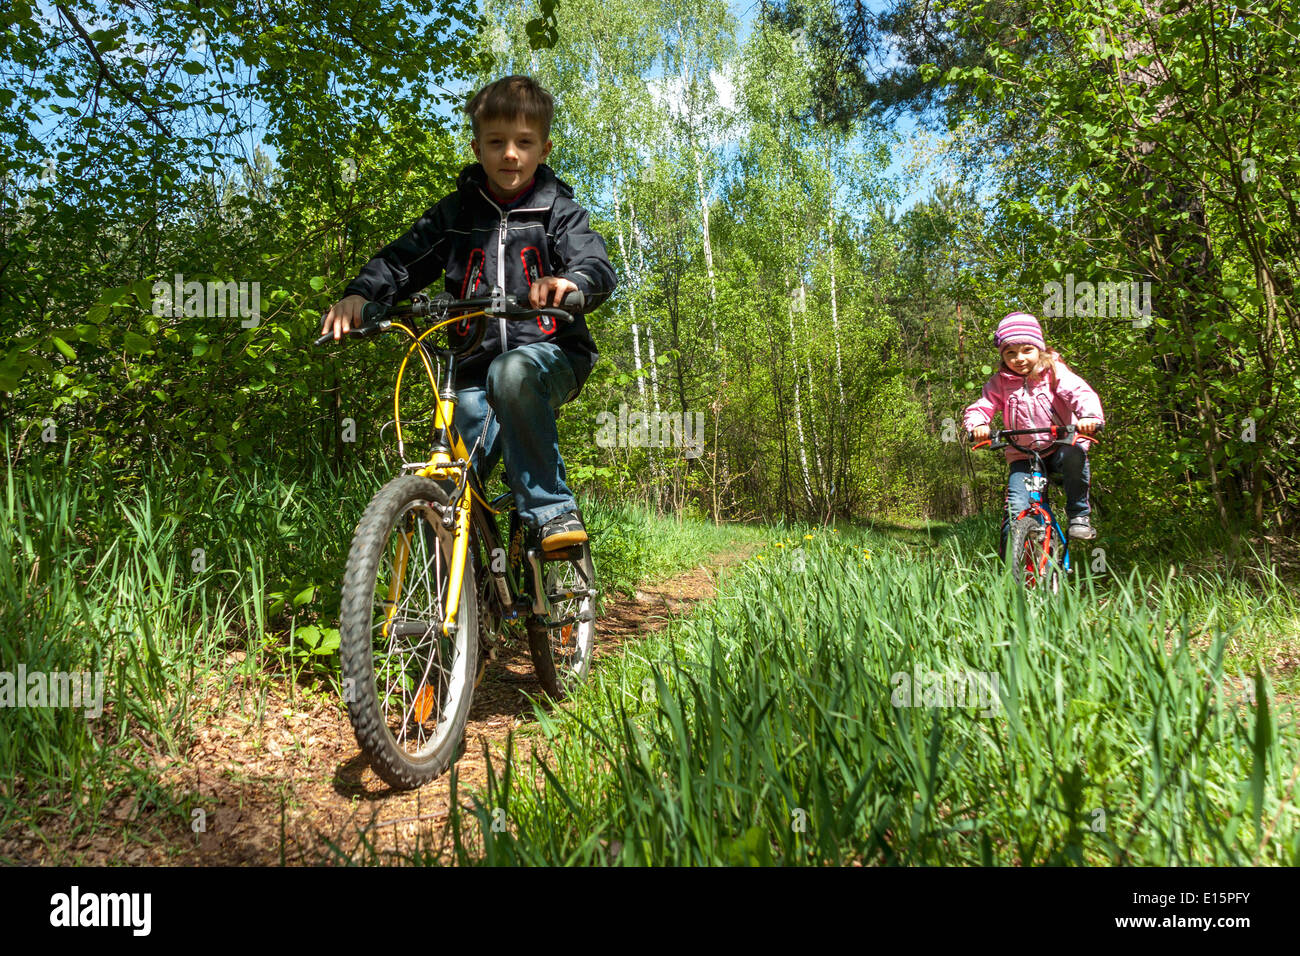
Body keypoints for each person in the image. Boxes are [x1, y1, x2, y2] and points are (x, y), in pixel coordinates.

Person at [320, 75, 616, 550]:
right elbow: (401, 261)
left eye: (524, 142)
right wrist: (360, 295)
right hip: (470, 369)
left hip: (549, 356)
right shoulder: (455, 215)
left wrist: (571, 283)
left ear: (545, 149)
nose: (510, 155)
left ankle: (550, 510)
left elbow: (594, 264)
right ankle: (458, 601)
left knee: (513, 371)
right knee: (451, 486)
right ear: (477, 148)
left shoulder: (559, 211)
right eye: (496, 142)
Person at [963, 311, 1104, 548]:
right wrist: (978, 424)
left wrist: (1089, 417)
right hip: (1024, 456)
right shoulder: (1000, 382)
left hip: (1060, 446)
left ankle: (1078, 514)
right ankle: (1013, 566)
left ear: (1040, 349)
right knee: (1015, 510)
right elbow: (983, 406)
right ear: (1003, 356)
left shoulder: (1054, 373)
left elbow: (1079, 392)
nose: (1019, 358)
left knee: (1075, 454)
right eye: (1011, 353)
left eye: (1026, 350)